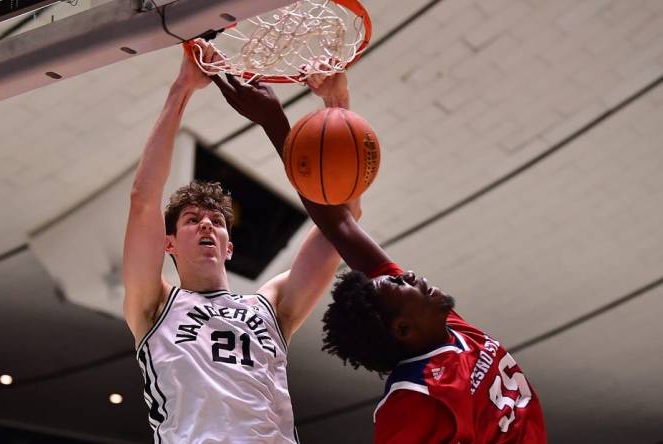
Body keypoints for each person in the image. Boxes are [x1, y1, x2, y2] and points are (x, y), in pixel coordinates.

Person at [213, 71, 547, 443]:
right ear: (403, 329)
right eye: (402, 284)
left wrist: (282, 121)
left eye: (400, 278)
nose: (411, 275)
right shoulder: (412, 400)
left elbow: (339, 225)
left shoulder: (444, 330)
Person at [122, 40, 344, 443]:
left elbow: (340, 231)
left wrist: (336, 105)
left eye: (216, 222)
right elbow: (142, 202)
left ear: (229, 247)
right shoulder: (154, 305)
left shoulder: (271, 304)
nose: (207, 225)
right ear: (167, 243)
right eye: (192, 220)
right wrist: (183, 88)